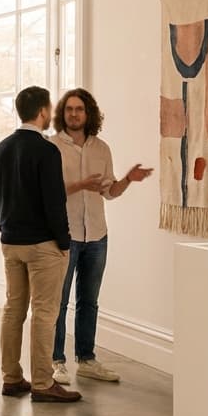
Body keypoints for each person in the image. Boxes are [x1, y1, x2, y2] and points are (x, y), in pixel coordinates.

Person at [50, 89, 153, 384]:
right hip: (65, 234)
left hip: (97, 235)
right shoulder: (52, 147)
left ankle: (87, 359)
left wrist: (128, 181)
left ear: (88, 113)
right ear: (62, 113)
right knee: (59, 301)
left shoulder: (102, 149)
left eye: (79, 109)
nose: (73, 114)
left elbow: (110, 192)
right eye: (69, 109)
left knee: (89, 301)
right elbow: (49, 194)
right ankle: (57, 361)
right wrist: (80, 184)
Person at [0, 86, 80, 403]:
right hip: (43, 245)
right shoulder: (46, 150)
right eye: (50, 108)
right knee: (44, 313)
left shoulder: (0, 149)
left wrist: (7, 227)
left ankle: (11, 378)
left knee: (13, 310)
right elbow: (54, 202)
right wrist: (64, 241)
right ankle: (42, 382)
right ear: (42, 111)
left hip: (11, 243)